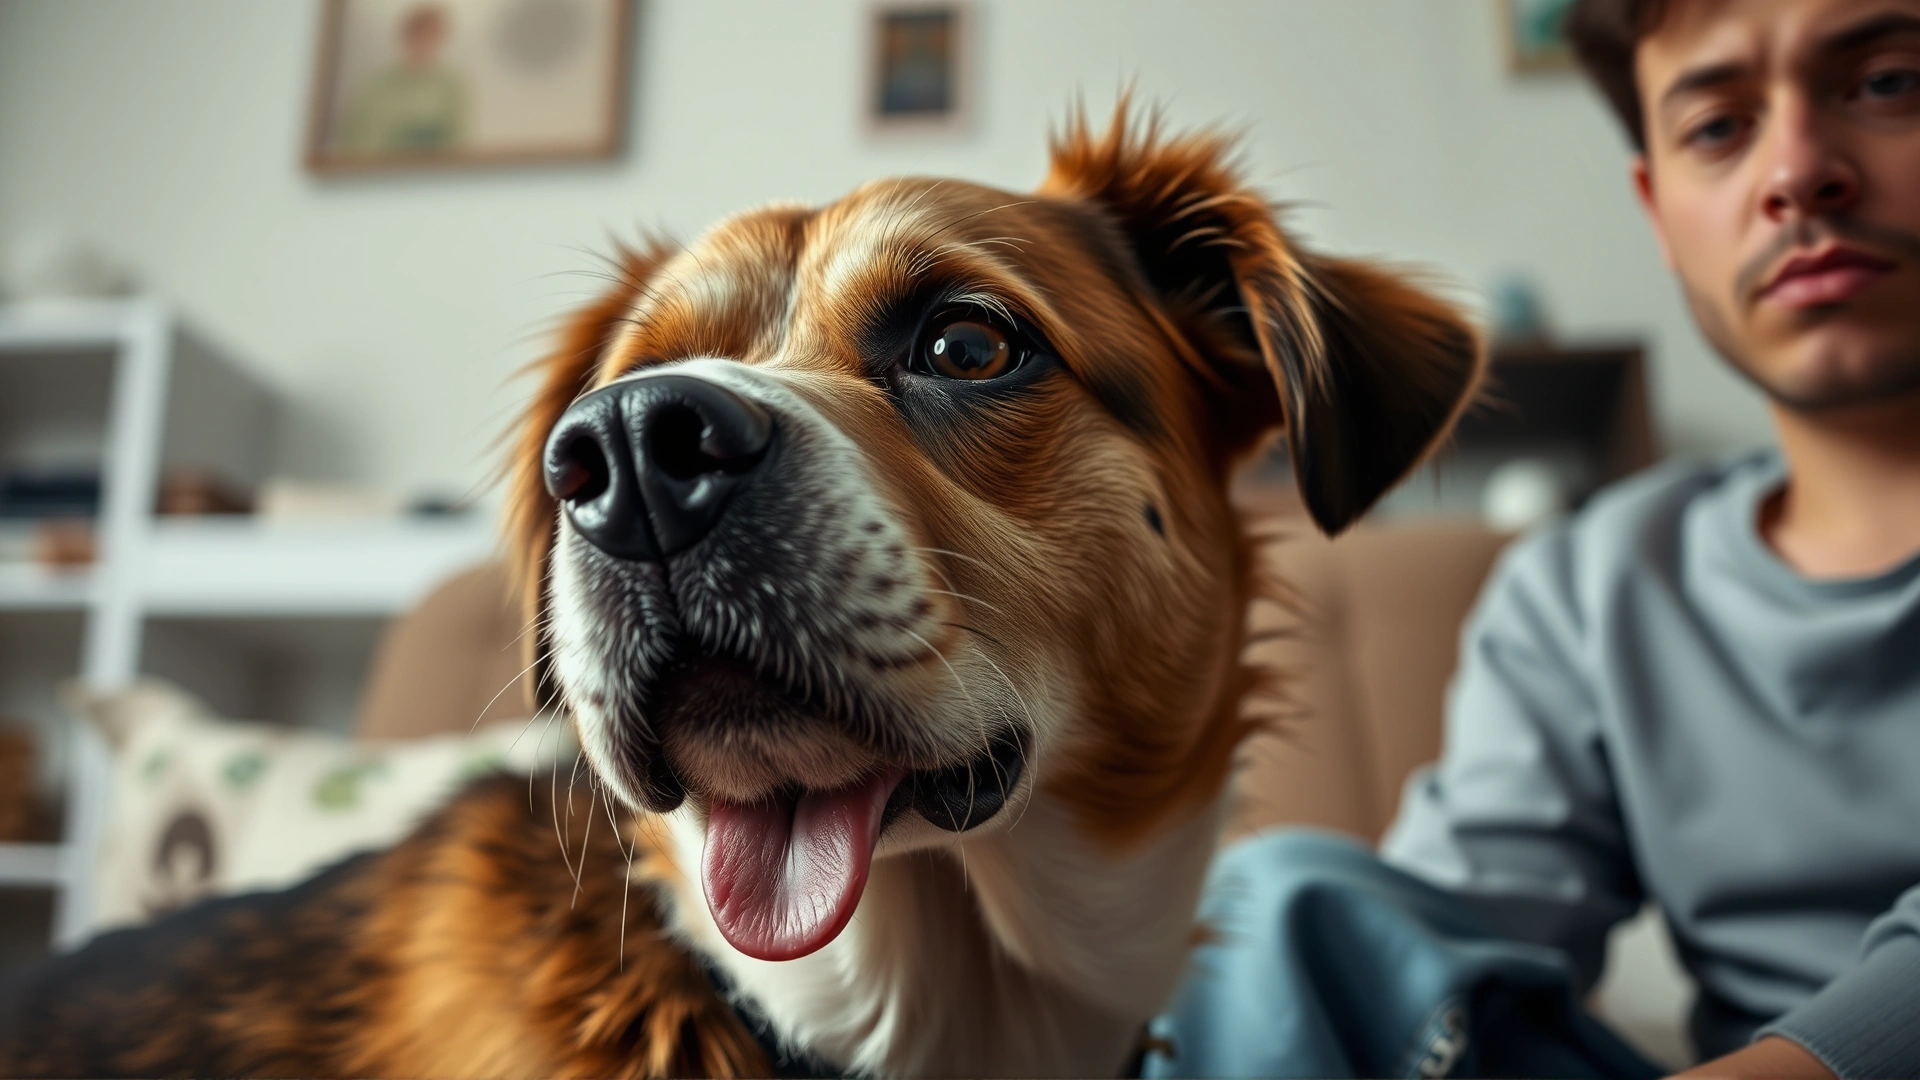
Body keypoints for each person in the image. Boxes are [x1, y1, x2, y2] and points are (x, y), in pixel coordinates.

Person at [1145, 0, 1920, 1077]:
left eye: (1887, 83)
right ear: (1657, 207)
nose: (1796, 170)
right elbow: (1431, 936)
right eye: (1717, 128)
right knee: (1267, 910)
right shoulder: (1591, 586)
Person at [338, 3, 469, 156]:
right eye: (418, 32)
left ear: (441, 38)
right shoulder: (376, 87)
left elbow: (458, 143)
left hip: (432, 175)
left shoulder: (453, 87)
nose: (424, 41)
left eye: (431, 33)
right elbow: (359, 141)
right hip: (380, 174)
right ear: (406, 35)